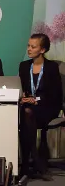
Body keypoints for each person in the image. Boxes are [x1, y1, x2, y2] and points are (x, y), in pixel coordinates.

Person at [18, 33, 63, 180]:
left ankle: (26, 163)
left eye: (33, 46)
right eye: (28, 46)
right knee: (26, 112)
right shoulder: (24, 66)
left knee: (27, 113)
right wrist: (24, 98)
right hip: (28, 107)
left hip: (47, 106)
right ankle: (36, 161)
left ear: (42, 50)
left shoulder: (51, 67)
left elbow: (56, 94)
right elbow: (23, 88)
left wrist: (37, 100)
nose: (29, 49)